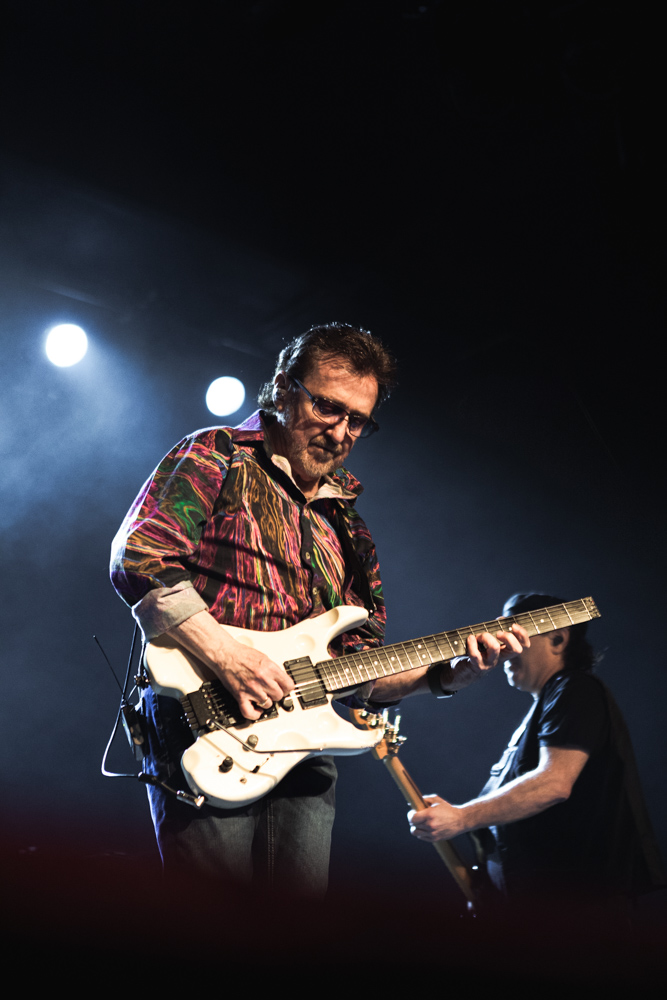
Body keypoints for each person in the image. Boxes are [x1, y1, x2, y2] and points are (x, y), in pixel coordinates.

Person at [110, 322, 528, 895]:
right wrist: (229, 656)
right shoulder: (218, 454)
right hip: (202, 715)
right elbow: (142, 555)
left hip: (305, 743)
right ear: (284, 390)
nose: (341, 431)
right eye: (329, 407)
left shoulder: (347, 527)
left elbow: (360, 671)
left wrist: (448, 674)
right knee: (213, 927)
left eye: (358, 420)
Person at [408, 592, 664, 913]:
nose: (502, 649)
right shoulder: (547, 703)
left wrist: (461, 817)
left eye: (514, 635)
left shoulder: (575, 689)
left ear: (557, 639)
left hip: (574, 919)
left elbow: (554, 784)